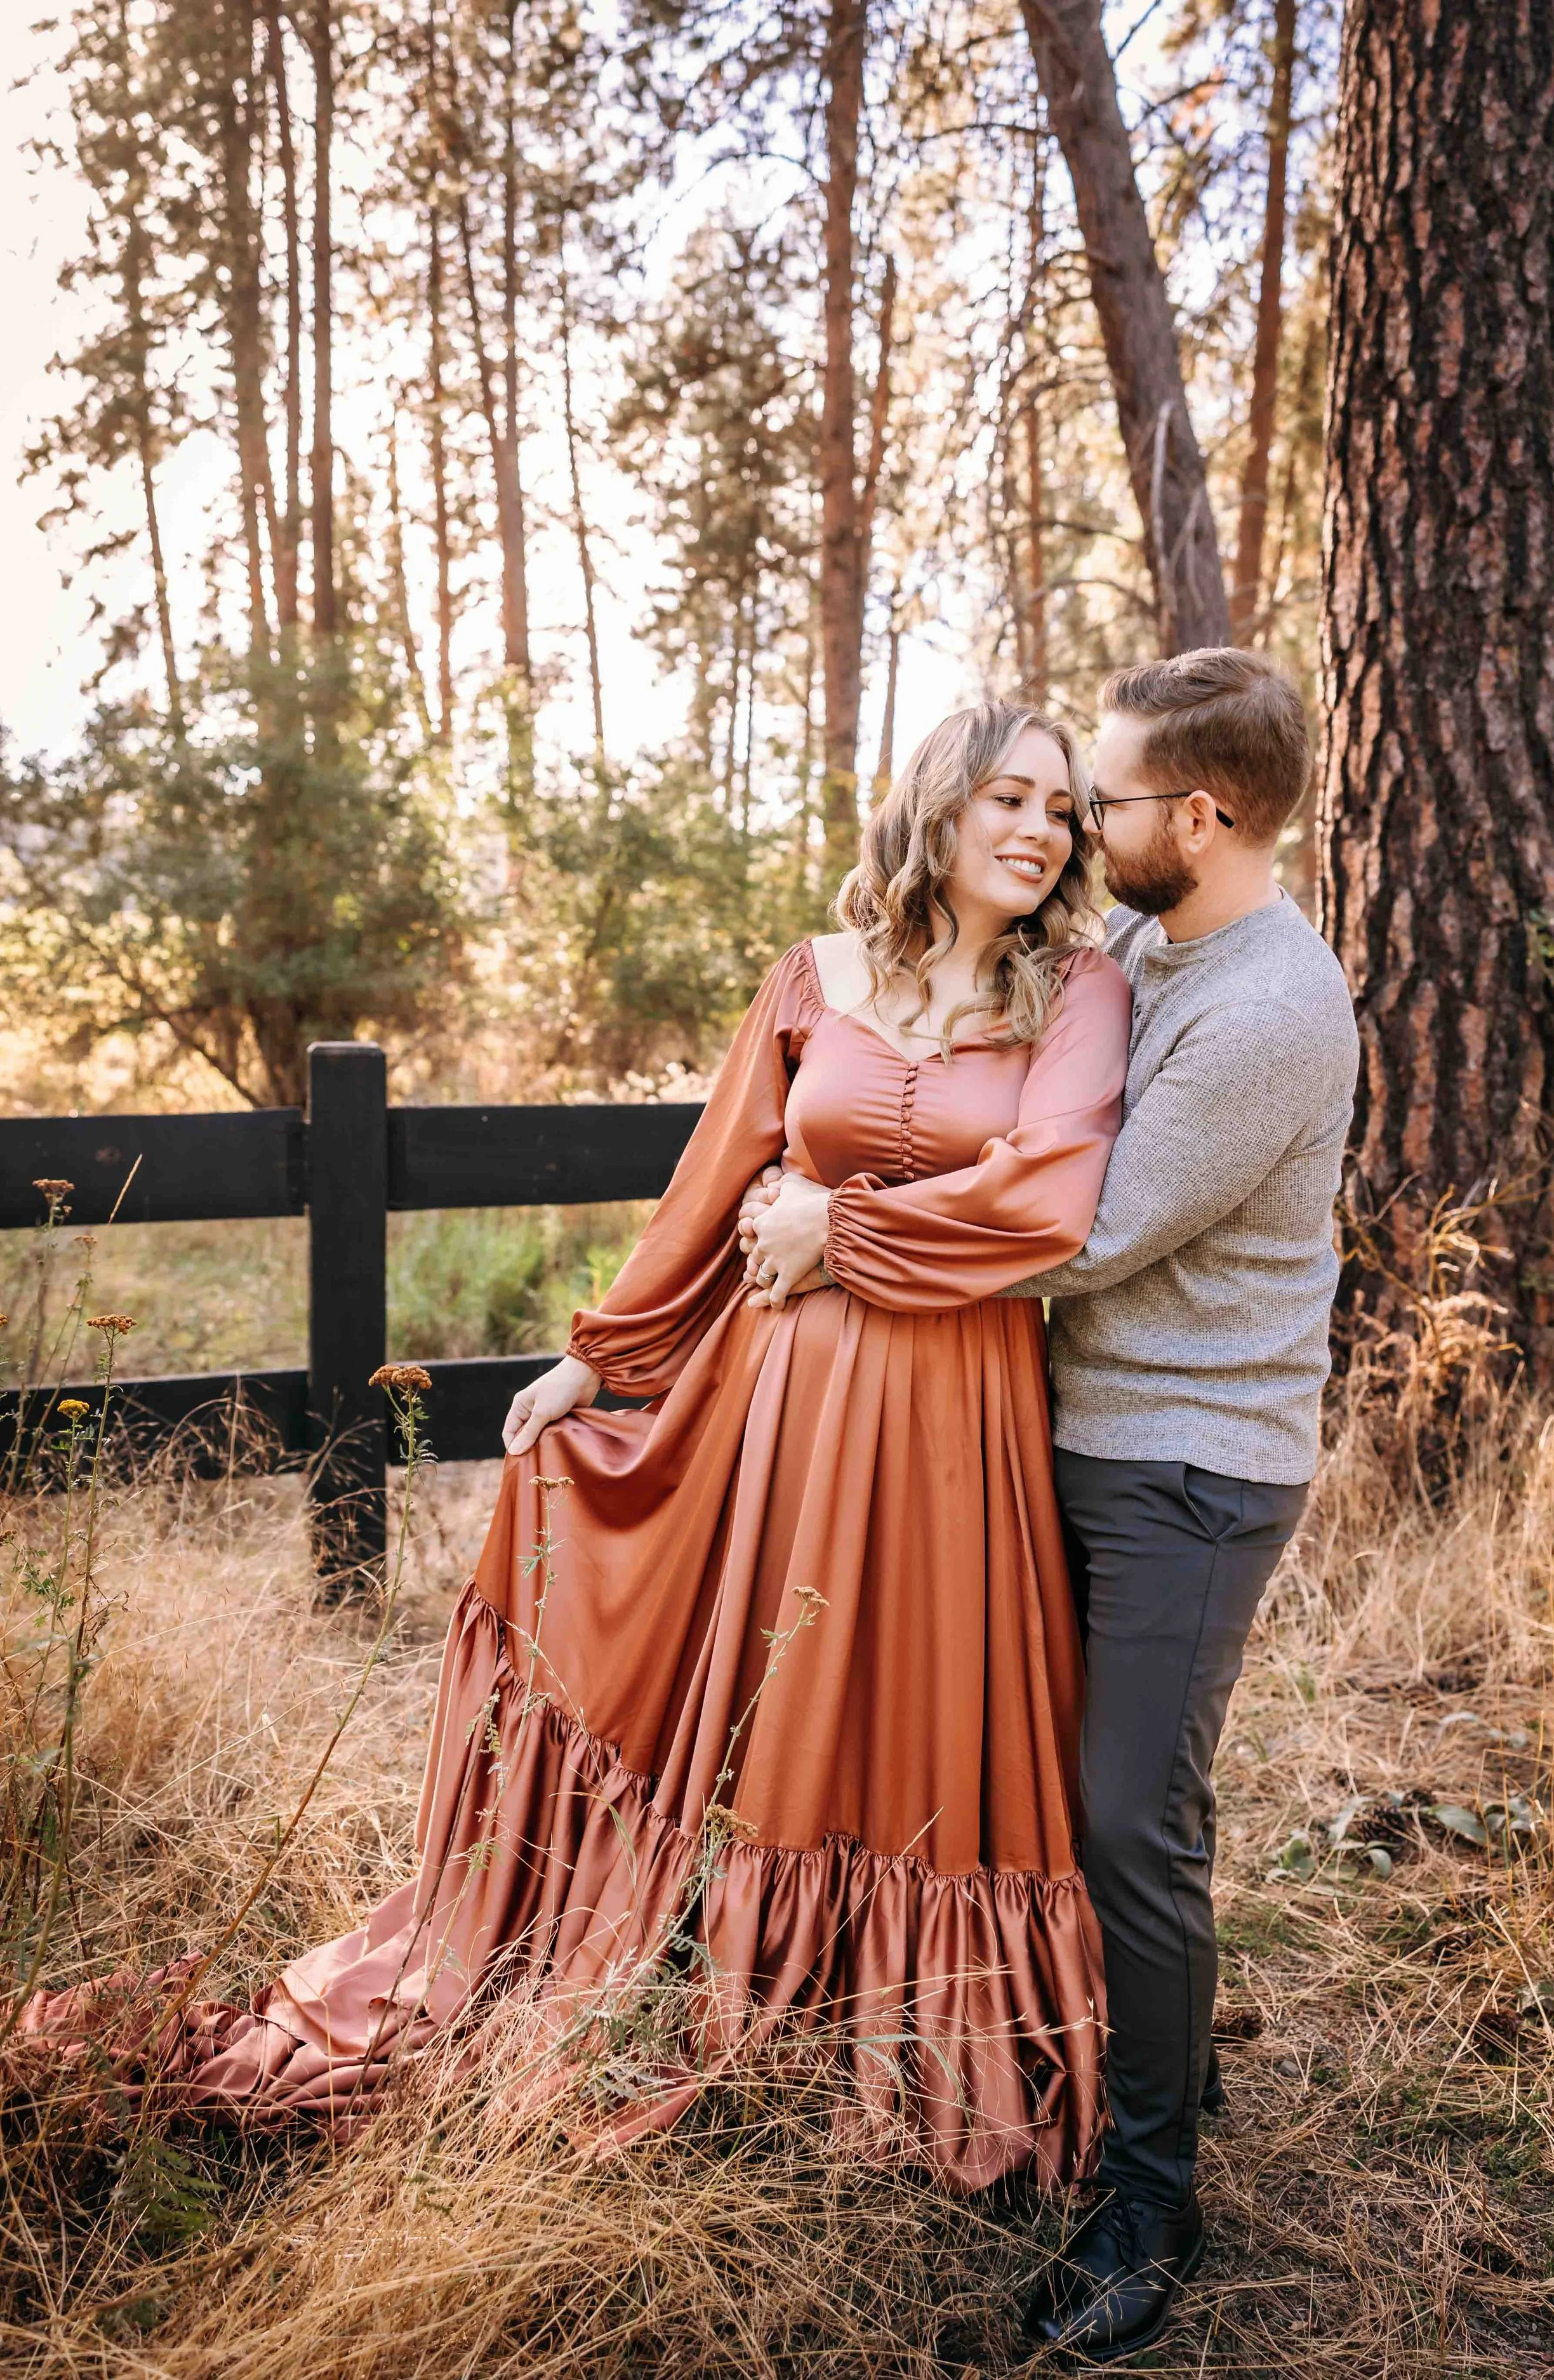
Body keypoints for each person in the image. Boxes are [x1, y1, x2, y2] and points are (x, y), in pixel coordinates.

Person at [23, 701, 1132, 2193]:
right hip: (775, 1407)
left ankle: (872, 2040)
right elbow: (711, 1184)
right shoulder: (816, 978)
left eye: (1059, 811)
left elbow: (1049, 1200)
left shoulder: (1076, 996)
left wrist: (837, 1226)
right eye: (1008, 796)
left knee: (905, 1708)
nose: (1038, 832)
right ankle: (709, 1989)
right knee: (759, 1696)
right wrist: (593, 1359)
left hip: (954, 1418)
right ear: (937, 809)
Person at [739, 648, 1359, 2365]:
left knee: (1125, 1820)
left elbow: (1072, 1231)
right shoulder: (1155, 943)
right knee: (1088, 1792)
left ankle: (1152, 2197)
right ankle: (1119, 2060)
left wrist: (838, 1228)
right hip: (1071, 1434)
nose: (1085, 821)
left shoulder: (1270, 1008)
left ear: (1203, 814)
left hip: (1191, 1467)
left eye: (1111, 798)